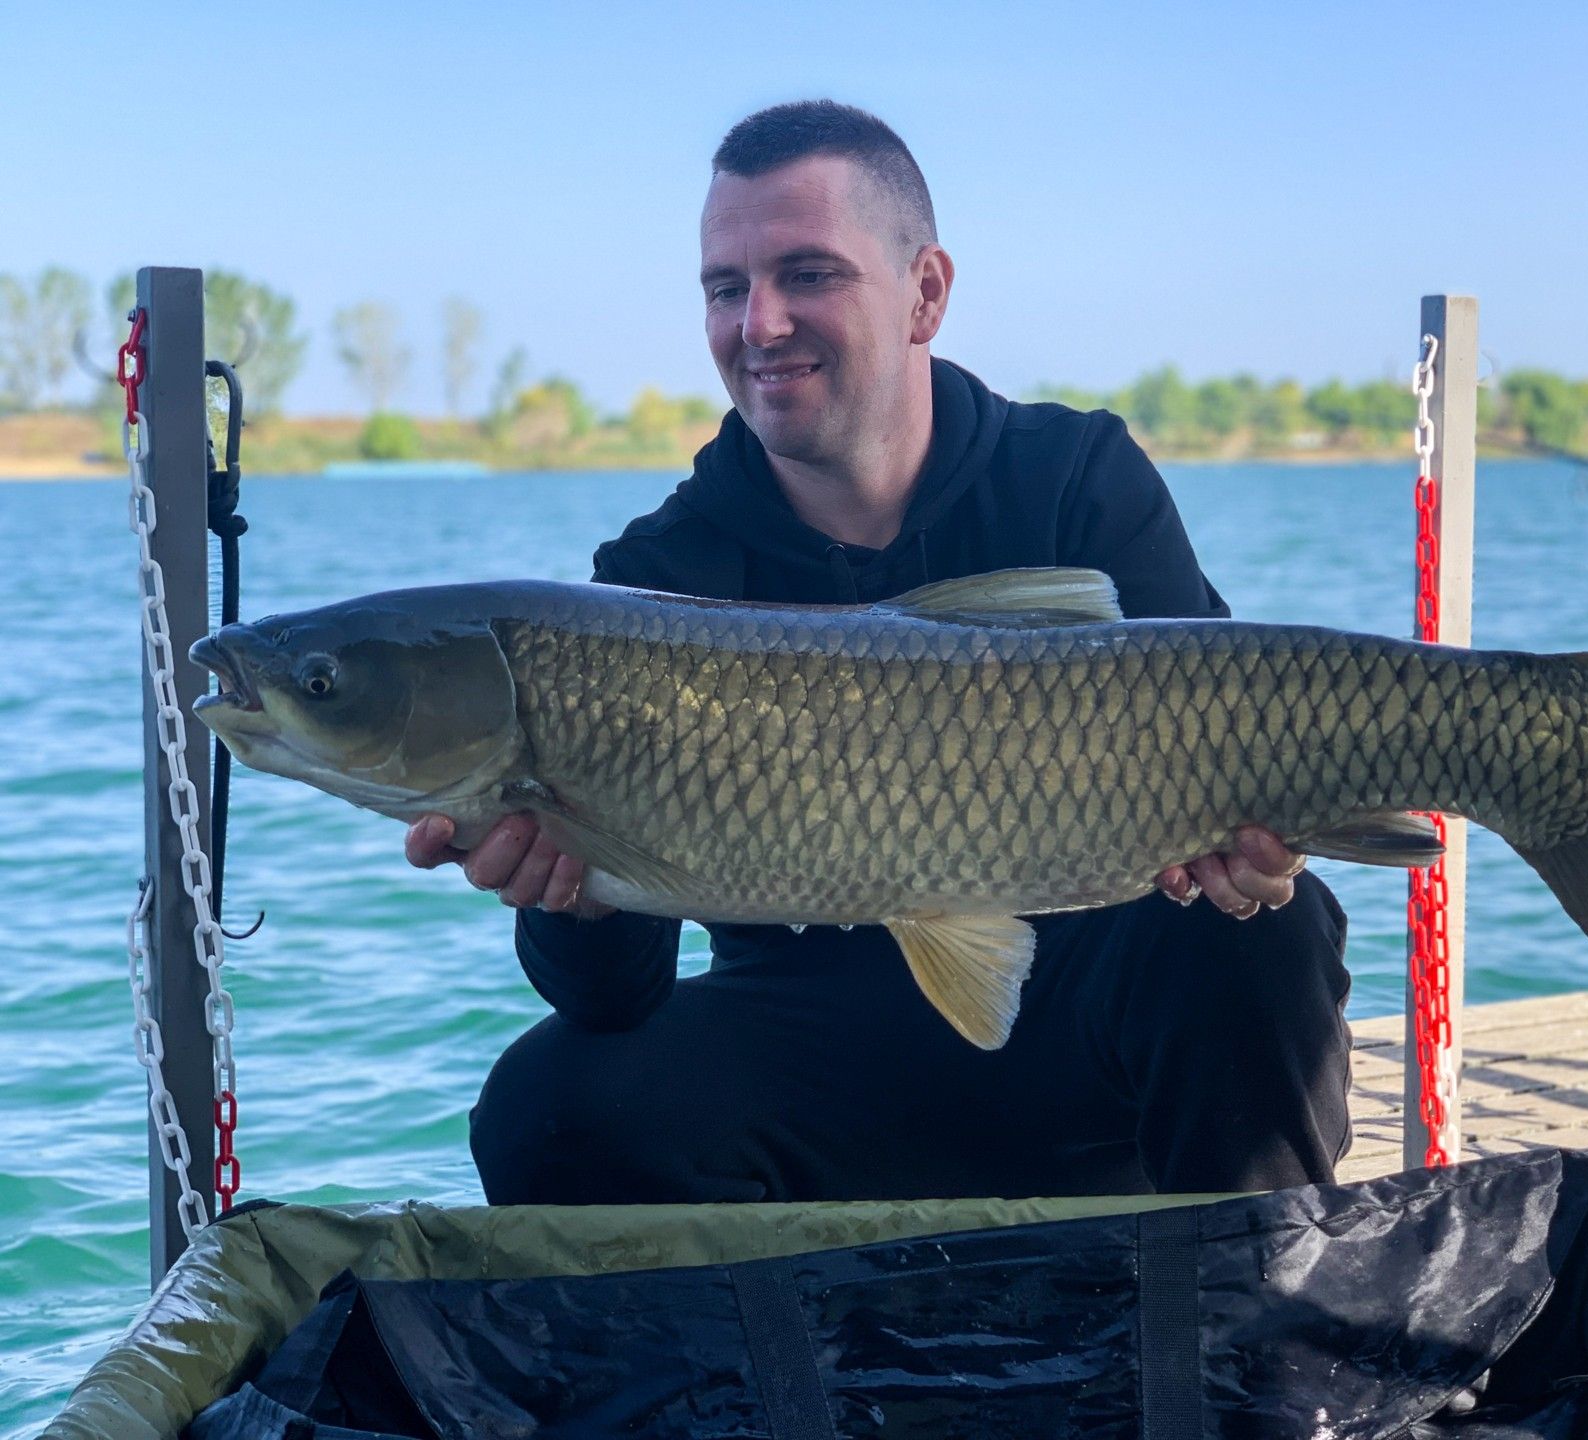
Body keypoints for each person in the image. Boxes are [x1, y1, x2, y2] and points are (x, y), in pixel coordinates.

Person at [407, 100, 1353, 1205]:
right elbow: (614, 1002)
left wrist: (1255, 863)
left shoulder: (1076, 479)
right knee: (547, 1105)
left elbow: (1233, 783)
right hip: (815, 1055)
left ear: (926, 292)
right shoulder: (658, 575)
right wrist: (563, 898)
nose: (759, 324)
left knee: (1263, 937)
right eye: (726, 287)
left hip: (1090, 1049)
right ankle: (753, 1367)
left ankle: (1256, 1323)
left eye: (808, 275)